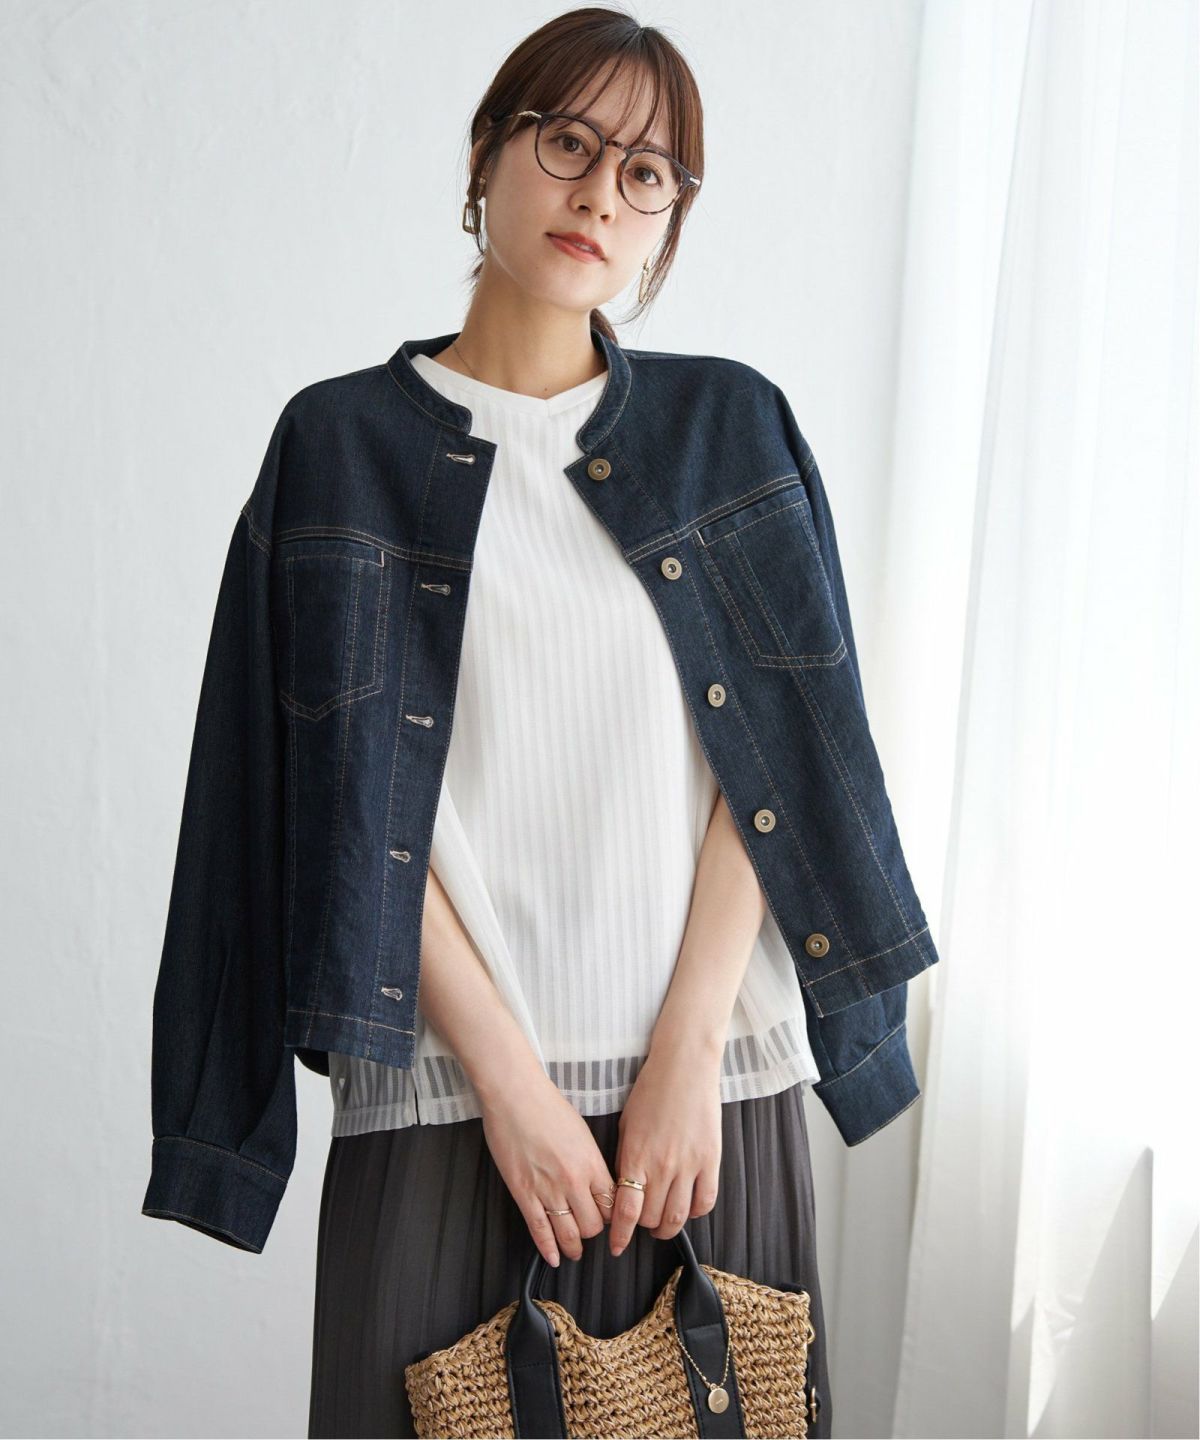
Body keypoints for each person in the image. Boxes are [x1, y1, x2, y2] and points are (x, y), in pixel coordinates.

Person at [306, 9, 834, 1437]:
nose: (601, 191)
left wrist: (689, 1050)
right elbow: (341, 800)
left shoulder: (730, 432)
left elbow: (776, 764)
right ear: (488, 154)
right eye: (568, 143)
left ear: (669, 220)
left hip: (707, 1099)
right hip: (445, 1097)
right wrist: (510, 1084)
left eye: (647, 172)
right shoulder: (341, 449)